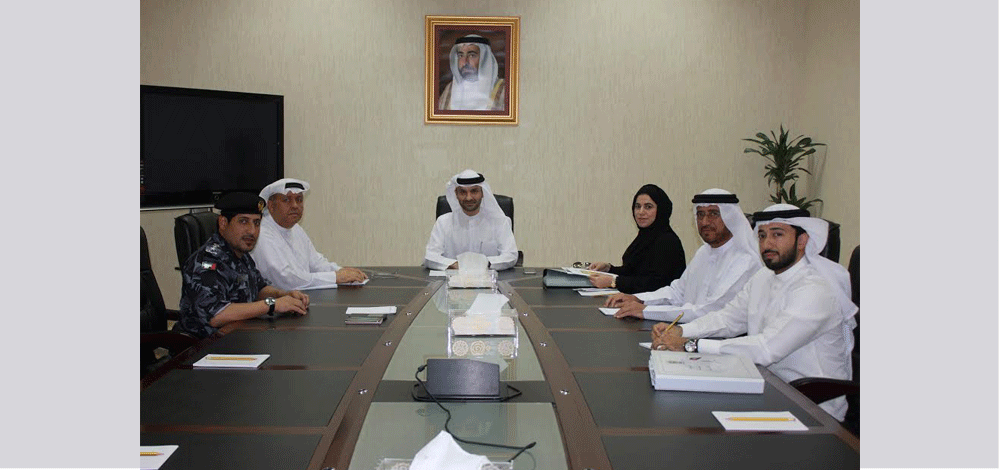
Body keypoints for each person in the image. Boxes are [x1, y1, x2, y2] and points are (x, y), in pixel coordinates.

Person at [650, 204, 858, 420]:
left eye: (777, 234)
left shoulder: (817, 290)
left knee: (695, 419)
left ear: (802, 241)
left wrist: (691, 345)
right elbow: (728, 318)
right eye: (762, 235)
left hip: (810, 406)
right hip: (764, 385)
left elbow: (766, 348)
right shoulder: (762, 278)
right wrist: (681, 331)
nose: (767, 244)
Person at [605, 189, 763, 321]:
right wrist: (639, 298)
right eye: (700, 214)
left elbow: (708, 310)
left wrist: (646, 310)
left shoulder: (745, 261)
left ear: (730, 217)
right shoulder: (704, 252)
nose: (705, 222)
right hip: (690, 331)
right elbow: (677, 292)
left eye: (713, 214)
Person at [178, 192, 310, 339]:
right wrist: (273, 304)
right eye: (243, 221)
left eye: (257, 223)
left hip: (240, 336)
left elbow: (259, 289)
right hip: (206, 345)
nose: (252, 231)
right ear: (223, 223)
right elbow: (216, 315)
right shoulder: (207, 261)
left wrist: (284, 295)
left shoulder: (241, 254)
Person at [250, 178, 368, 290]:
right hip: (275, 301)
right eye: (287, 200)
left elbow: (316, 263)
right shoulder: (261, 233)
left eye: (299, 200)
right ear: (271, 206)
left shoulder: (296, 229)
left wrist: (341, 271)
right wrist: (335, 277)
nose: (295, 205)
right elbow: (287, 279)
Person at [586, 184, 686, 294]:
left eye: (648, 207)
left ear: (661, 210)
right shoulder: (644, 238)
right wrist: (608, 269)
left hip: (660, 304)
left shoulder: (668, 241)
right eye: (637, 206)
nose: (641, 212)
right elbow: (632, 272)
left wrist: (614, 282)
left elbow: (657, 283)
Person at [424, 169, 518, 271]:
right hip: (452, 278)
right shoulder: (443, 222)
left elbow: (510, 255)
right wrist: (456, 265)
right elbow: (430, 256)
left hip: (489, 278)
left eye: (474, 191)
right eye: (463, 192)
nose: (468, 198)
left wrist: (483, 263)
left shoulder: (500, 221)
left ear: (482, 193)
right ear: (456, 194)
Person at [437, 35, 507, 111]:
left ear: (485, 59)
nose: (464, 62)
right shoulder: (449, 89)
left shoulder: (503, 90)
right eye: (461, 55)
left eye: (472, 55)